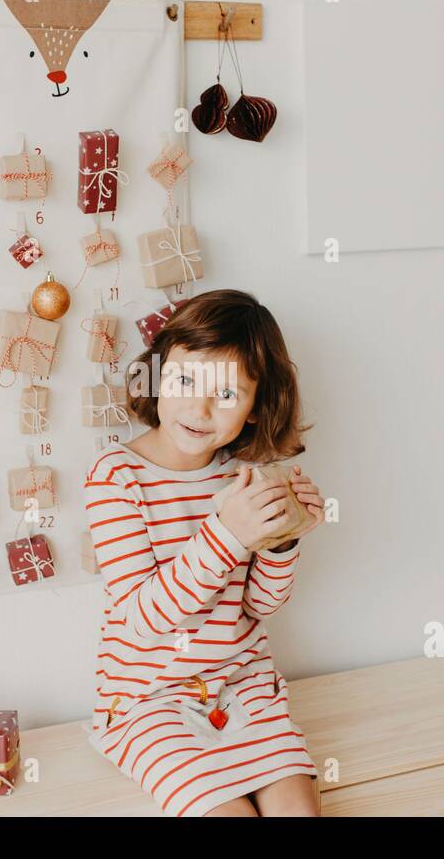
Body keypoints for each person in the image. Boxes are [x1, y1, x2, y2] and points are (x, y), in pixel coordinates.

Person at [81, 289, 326, 816]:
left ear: (258, 409)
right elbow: (145, 619)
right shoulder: (115, 477)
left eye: (227, 394)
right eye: (185, 381)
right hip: (147, 702)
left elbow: (259, 606)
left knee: (299, 810)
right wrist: (228, 534)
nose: (199, 408)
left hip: (242, 685)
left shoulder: (244, 478)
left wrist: (282, 539)